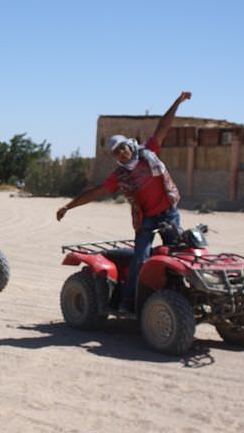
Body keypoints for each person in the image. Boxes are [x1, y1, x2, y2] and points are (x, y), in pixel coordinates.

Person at [56, 91, 192, 313]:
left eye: (122, 148)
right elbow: (96, 192)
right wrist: (68, 206)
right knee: (141, 259)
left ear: (130, 145)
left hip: (169, 214)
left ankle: (177, 298)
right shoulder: (120, 175)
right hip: (147, 219)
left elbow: (163, 127)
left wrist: (177, 102)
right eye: (116, 153)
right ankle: (128, 303)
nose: (121, 153)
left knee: (180, 257)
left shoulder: (149, 153)